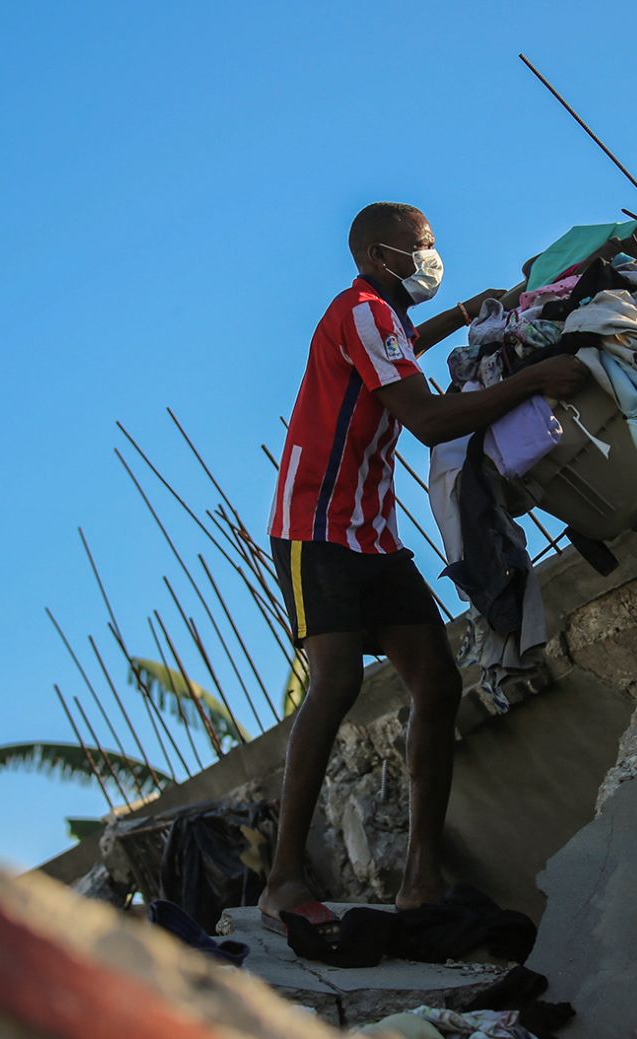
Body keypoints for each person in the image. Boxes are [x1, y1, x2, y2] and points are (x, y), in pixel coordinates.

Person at [260, 201, 587, 931]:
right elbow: (430, 420)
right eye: (423, 246)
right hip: (316, 526)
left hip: (372, 533)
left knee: (436, 683)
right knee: (337, 678)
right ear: (380, 255)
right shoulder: (362, 313)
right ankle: (282, 878)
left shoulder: (380, 317)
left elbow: (405, 344)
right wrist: (538, 380)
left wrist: (469, 310)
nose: (433, 256)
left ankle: (420, 879)